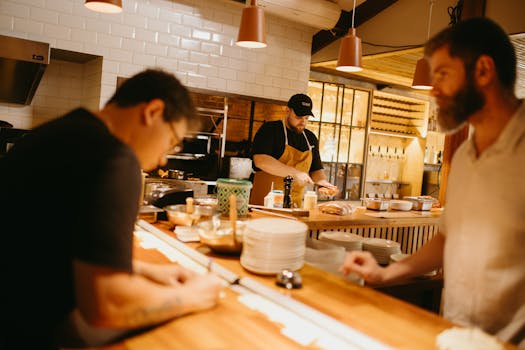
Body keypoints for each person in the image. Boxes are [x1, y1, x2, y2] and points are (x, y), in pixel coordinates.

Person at [0, 69, 223, 349]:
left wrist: (141, 270)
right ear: (153, 112)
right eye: (171, 141)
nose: (163, 159)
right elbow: (107, 305)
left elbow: (47, 248)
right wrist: (194, 295)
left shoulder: (63, 132)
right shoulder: (115, 158)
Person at [340, 17, 525, 348]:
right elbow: (447, 238)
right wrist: (386, 272)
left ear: (483, 71)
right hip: (454, 336)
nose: (434, 89)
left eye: (442, 74)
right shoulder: (467, 156)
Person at [250, 93, 338, 207]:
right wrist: (294, 173)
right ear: (287, 111)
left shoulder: (310, 138)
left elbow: (316, 169)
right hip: (264, 205)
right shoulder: (270, 130)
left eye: (306, 118)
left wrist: (322, 183)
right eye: (298, 117)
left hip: (294, 207)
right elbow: (261, 160)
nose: (303, 122)